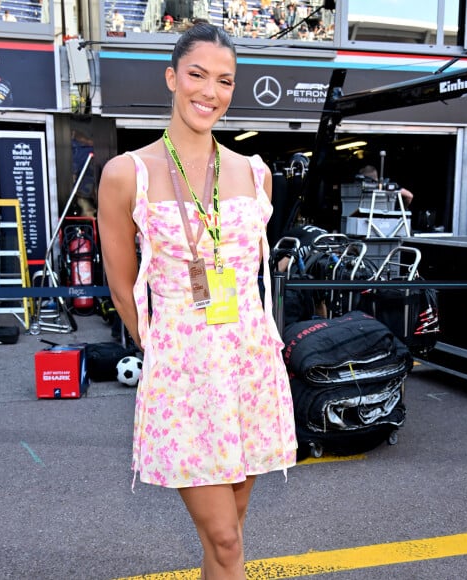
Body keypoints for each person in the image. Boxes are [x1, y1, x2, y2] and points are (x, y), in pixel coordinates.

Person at [97, 23, 297, 578]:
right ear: (172, 77)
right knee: (227, 541)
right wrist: (163, 348)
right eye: (197, 74)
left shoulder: (255, 173)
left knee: (227, 536)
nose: (210, 91)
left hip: (250, 364)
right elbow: (120, 283)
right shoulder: (126, 173)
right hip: (185, 372)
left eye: (225, 80)